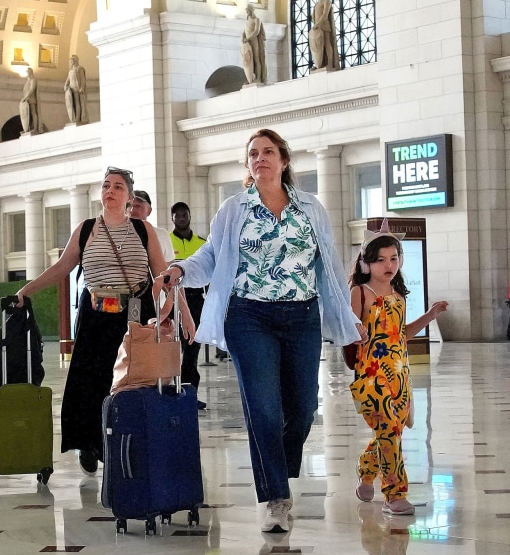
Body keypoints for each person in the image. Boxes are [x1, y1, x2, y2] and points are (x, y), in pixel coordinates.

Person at [163, 128, 365, 534]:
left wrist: (345, 312)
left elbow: (325, 260)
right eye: (253, 153)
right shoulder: (234, 209)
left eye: (268, 152)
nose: (260, 159)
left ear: (284, 160)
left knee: (304, 408)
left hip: (302, 315)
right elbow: (211, 255)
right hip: (248, 316)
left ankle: (280, 465)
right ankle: (276, 497)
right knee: (264, 410)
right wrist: (181, 270)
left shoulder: (310, 208)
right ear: (248, 164)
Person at [14, 167, 193, 475]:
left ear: (129, 197)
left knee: (133, 378)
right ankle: (88, 442)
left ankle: (130, 437)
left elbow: (164, 275)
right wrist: (26, 289)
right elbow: (62, 267)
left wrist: (185, 315)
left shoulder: (142, 230)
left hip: (135, 311)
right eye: (106, 185)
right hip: (96, 312)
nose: (110, 190)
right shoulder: (86, 229)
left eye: (118, 187)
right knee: (89, 378)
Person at [349, 227, 447, 516]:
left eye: (393, 258)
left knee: (391, 431)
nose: (388, 265)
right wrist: (355, 330)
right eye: (380, 260)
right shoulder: (360, 292)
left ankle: (366, 470)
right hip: (371, 376)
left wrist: (429, 316)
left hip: (400, 374)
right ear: (366, 263)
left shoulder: (398, 295)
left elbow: (400, 335)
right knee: (389, 433)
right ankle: (395, 495)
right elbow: (348, 328)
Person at [169, 201, 209, 409]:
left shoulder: (201, 243)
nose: (182, 218)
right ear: (173, 218)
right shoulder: (166, 241)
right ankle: (172, 394)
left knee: (192, 350)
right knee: (173, 349)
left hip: (195, 301)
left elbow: (209, 275)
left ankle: (190, 394)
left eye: (185, 215)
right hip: (172, 301)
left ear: (190, 216)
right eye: (178, 216)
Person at [128, 190, 171, 260]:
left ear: (149, 211)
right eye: (130, 206)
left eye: (138, 206)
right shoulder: (120, 234)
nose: (133, 210)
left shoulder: (162, 235)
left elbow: (168, 265)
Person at [310, 0, 339, 70]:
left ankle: (330, 63)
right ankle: (319, 64)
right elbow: (313, 16)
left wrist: (318, 24)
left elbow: (325, 15)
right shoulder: (316, 4)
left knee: (327, 44)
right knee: (318, 45)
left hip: (325, 26)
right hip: (318, 28)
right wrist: (315, 24)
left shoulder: (326, 2)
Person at [241, 4, 267, 84]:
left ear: (251, 10)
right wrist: (243, 37)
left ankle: (258, 78)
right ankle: (251, 79)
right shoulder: (247, 20)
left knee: (256, 59)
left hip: (254, 40)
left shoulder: (256, 20)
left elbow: (256, 31)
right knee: (249, 61)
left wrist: (248, 38)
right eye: (246, 11)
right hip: (248, 42)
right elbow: (244, 31)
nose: (247, 13)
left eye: (248, 11)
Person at [64, 55, 88, 124]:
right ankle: (74, 117)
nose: (71, 62)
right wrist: (65, 85)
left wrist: (82, 87)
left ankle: (78, 117)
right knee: (73, 103)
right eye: (70, 61)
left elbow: (83, 79)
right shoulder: (70, 71)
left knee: (78, 103)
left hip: (77, 89)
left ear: (75, 61)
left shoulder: (80, 69)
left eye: (72, 61)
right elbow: (67, 80)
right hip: (71, 89)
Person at [19, 68, 41, 134]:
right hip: (27, 100)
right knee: (27, 114)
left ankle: (35, 128)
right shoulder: (28, 81)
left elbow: (31, 90)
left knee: (33, 113)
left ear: (30, 72)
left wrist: (25, 97)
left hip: (31, 99)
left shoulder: (33, 80)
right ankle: (27, 128)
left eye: (28, 72)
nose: (27, 73)